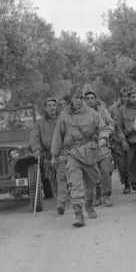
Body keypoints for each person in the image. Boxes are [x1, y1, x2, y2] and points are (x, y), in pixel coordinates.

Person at [50, 84, 108, 227]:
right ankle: (78, 214)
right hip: (73, 153)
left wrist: (102, 138)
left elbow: (103, 128)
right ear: (71, 99)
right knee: (75, 183)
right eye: (76, 97)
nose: (79, 100)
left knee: (91, 183)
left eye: (81, 97)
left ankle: (89, 205)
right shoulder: (64, 116)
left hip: (90, 151)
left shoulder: (92, 113)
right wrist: (54, 155)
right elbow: (58, 135)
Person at [30, 97, 68, 215]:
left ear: (57, 107)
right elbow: (34, 137)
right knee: (54, 180)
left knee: (61, 177)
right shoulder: (39, 123)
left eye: (54, 105)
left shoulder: (63, 120)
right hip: (47, 156)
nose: (52, 107)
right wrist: (36, 150)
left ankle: (60, 203)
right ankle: (60, 198)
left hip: (61, 154)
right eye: (49, 105)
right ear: (45, 108)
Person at [115, 87, 136, 200]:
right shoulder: (122, 110)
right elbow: (119, 127)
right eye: (132, 97)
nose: (135, 99)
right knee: (132, 166)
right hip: (130, 141)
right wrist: (123, 140)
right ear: (128, 98)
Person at [84, 86, 115, 207]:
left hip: (103, 145)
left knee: (105, 170)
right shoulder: (81, 114)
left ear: (96, 100)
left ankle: (106, 196)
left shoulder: (103, 112)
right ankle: (98, 195)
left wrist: (106, 132)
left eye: (92, 98)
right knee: (93, 172)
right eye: (87, 98)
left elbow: (112, 123)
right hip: (89, 147)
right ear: (84, 101)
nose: (90, 100)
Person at [108, 88, 131, 194]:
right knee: (122, 165)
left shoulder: (131, 107)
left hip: (130, 139)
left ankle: (135, 183)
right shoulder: (112, 109)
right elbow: (109, 124)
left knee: (132, 163)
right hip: (117, 142)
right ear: (120, 97)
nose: (126, 98)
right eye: (124, 96)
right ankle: (126, 184)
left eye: (127, 96)